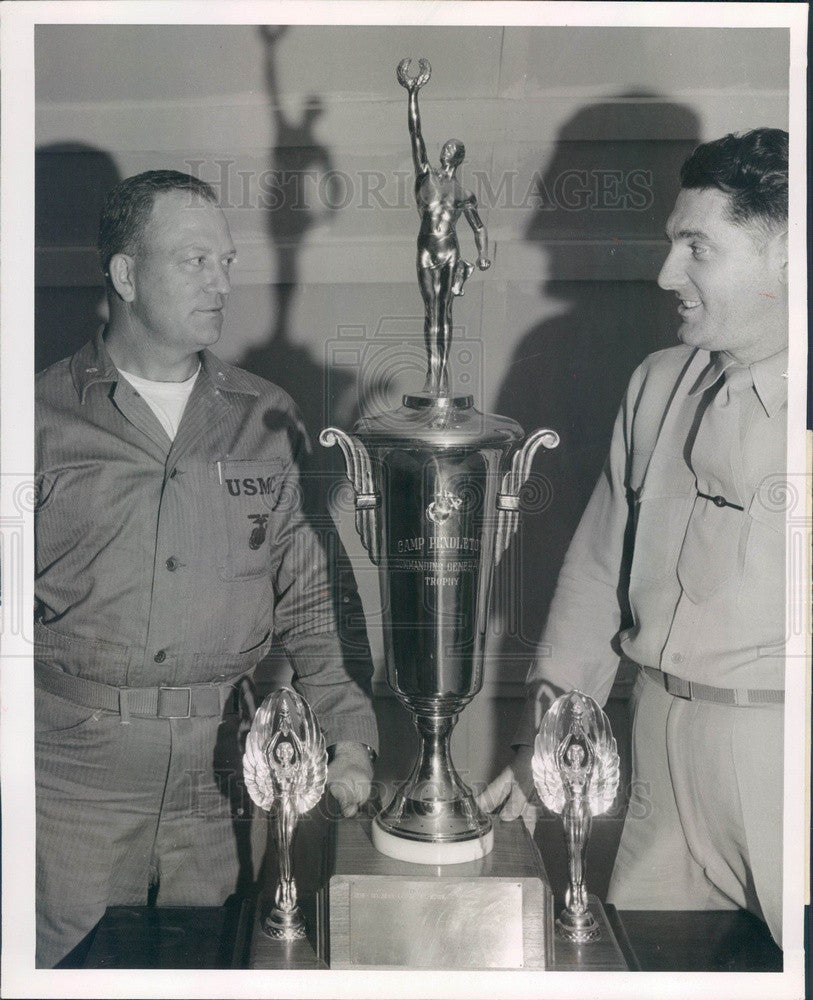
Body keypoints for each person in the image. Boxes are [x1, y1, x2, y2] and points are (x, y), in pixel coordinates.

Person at [35, 169, 379, 967]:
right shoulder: (37, 420)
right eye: (193, 260)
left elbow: (311, 599)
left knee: (214, 965)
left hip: (226, 786)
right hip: (72, 786)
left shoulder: (267, 417)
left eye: (225, 261)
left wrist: (350, 734)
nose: (222, 282)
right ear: (125, 274)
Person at [479, 129, 788, 946]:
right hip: (653, 748)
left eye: (697, 247)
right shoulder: (657, 383)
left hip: (784, 758)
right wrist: (536, 747)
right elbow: (593, 577)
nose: (664, 276)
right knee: (648, 967)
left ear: (789, 252)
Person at [397, 57, 491, 394]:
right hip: (427, 247)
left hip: (450, 248)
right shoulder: (426, 175)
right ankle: (432, 369)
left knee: (445, 310)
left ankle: (443, 374)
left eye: (453, 147)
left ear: (459, 157)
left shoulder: (464, 193)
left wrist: (483, 255)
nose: (446, 148)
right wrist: (413, 94)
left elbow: (478, 227)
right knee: (431, 309)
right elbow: (415, 132)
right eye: (445, 145)